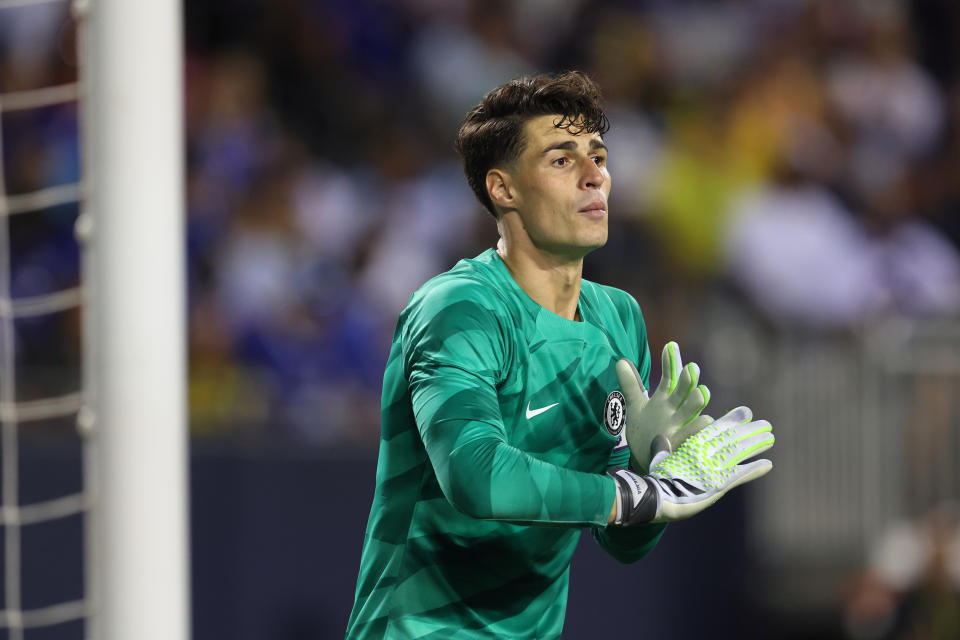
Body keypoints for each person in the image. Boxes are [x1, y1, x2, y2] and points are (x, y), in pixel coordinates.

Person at [345, 71, 774, 639]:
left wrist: (649, 472)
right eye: (561, 159)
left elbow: (621, 540)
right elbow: (474, 476)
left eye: (598, 156)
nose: (595, 175)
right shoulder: (458, 308)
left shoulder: (618, 318)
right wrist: (636, 493)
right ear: (504, 189)